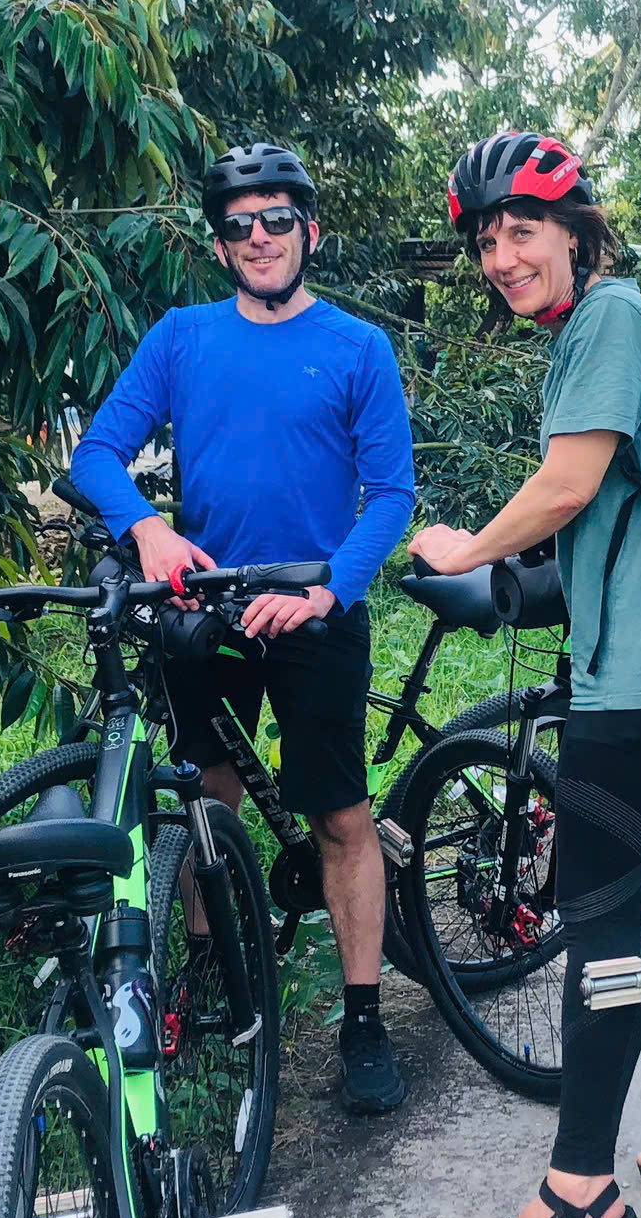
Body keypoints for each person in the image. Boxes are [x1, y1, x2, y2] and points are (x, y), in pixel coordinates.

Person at [406, 132, 641, 1218]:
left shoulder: (605, 322)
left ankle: (579, 1197)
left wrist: (468, 546)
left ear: (575, 232)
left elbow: (566, 484)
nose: (503, 257)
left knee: (603, 923)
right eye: (486, 241)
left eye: (523, 231)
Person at [71, 141, 417, 1115]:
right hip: (207, 610)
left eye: (276, 220)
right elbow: (97, 454)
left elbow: (392, 493)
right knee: (205, 798)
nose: (259, 237)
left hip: (315, 607)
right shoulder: (182, 338)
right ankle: (215, 974)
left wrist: (330, 591)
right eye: (238, 226)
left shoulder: (358, 347)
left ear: (310, 232)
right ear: (220, 248)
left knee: (340, 817)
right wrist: (146, 528)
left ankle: (362, 1018)